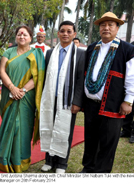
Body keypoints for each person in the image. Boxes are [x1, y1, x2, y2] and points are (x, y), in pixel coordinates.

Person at [81, 12, 134, 173]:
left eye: (110, 25)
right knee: (91, 137)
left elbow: (133, 78)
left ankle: (101, 172)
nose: (106, 28)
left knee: (108, 141)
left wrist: (128, 101)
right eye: (103, 25)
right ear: (99, 28)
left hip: (113, 104)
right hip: (91, 104)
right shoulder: (93, 47)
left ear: (117, 27)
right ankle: (88, 167)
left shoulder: (128, 49)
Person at [0, 25, 45, 173]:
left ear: (30, 37)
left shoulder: (37, 54)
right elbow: (1, 70)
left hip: (25, 97)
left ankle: (20, 160)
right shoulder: (9, 51)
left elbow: (38, 77)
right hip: (9, 94)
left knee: (22, 128)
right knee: (8, 126)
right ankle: (3, 159)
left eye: (25, 35)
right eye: (19, 34)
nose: (22, 37)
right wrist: (12, 88)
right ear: (16, 37)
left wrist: (22, 90)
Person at [39, 21, 85, 173]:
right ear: (58, 33)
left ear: (74, 34)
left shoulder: (80, 54)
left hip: (67, 100)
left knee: (65, 131)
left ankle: (61, 164)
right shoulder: (50, 53)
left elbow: (80, 80)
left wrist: (77, 101)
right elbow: (45, 77)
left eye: (69, 31)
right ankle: (49, 160)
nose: (65, 34)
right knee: (49, 128)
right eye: (62, 31)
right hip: (51, 98)